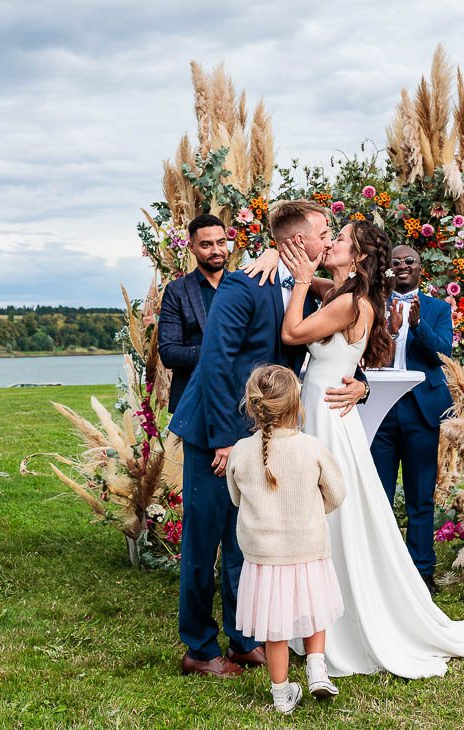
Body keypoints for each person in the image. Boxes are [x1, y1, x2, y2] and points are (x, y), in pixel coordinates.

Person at [277, 220, 464, 679]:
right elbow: (323, 283)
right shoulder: (349, 292)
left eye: (341, 239)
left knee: (335, 512)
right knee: (347, 508)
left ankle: (341, 616)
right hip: (330, 407)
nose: (331, 243)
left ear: (361, 255)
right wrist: (284, 259)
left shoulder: (352, 301)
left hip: (330, 412)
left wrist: (303, 280)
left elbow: (292, 334)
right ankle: (317, 613)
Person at [167, 200, 366, 678]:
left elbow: (338, 345)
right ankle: (198, 646)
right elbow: (215, 362)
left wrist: (362, 383)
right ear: (299, 242)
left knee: (246, 541)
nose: (329, 238)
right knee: (204, 542)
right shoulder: (242, 285)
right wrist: (221, 441)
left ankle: (242, 639)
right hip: (217, 432)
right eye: (324, 231)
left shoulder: (307, 288)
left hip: (263, 435)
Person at [227, 365, 346, 714]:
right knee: (314, 611)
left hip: (264, 556)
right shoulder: (310, 447)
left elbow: (236, 498)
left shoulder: (240, 450)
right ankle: (317, 670)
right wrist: (311, 508)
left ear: (253, 406)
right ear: (296, 404)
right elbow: (336, 494)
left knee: (274, 628)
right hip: (307, 548)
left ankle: (281, 697)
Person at [371, 245, 454, 594]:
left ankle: (422, 571)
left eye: (410, 262)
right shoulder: (374, 305)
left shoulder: (438, 308)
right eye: (396, 263)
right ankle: (381, 568)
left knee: (421, 495)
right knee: (378, 494)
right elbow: (367, 353)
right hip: (381, 410)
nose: (402, 266)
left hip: (422, 411)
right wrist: (390, 330)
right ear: (388, 270)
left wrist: (417, 326)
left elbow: (442, 355)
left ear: (421, 269)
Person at [157, 214, 228, 413]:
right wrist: (217, 351)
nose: (216, 251)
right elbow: (169, 353)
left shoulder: (243, 285)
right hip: (195, 401)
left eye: (221, 242)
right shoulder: (176, 291)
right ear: (191, 248)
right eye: (206, 245)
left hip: (239, 398)